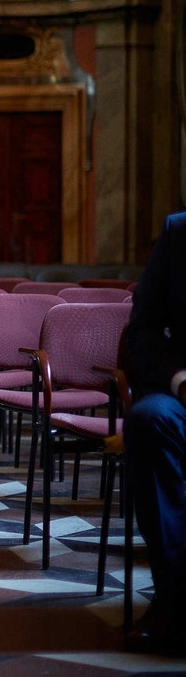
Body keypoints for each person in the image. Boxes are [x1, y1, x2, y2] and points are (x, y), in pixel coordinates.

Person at [122, 210, 186, 654]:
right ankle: (175, 602)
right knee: (150, 420)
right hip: (182, 392)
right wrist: (179, 377)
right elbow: (141, 333)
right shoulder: (179, 232)